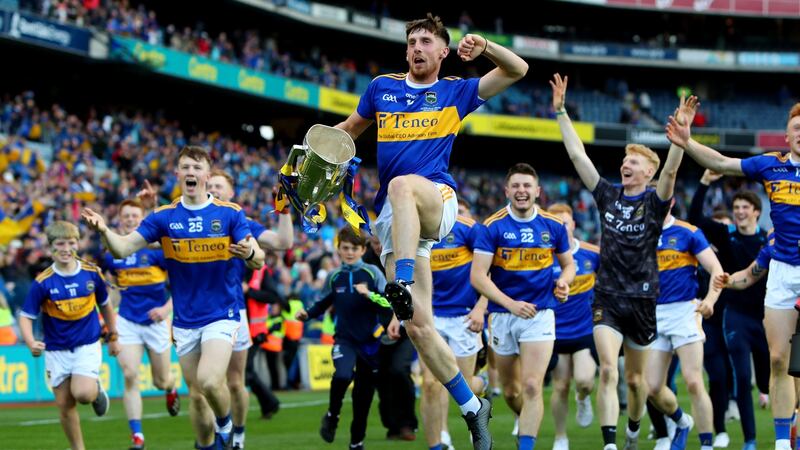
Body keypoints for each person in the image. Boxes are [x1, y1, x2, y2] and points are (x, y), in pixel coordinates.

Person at [334, 12, 527, 449]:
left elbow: (518, 70)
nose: (417, 48)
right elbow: (347, 132)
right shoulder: (381, 88)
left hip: (435, 199)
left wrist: (486, 48)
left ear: (443, 52)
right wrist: (307, 158)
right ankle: (473, 407)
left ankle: (400, 283)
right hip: (393, 220)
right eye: (411, 42)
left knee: (402, 185)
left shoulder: (455, 91)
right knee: (419, 328)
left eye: (425, 42)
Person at [81, 145, 262, 450]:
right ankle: (206, 445)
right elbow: (122, 248)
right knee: (198, 395)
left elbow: (258, 257)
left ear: (207, 174)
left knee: (209, 380)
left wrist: (249, 253)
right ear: (177, 174)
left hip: (222, 313)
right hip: (185, 321)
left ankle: (226, 425)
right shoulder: (164, 217)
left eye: (197, 167)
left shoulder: (229, 213)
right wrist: (103, 230)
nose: (191, 172)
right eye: (185, 167)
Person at [552, 73, 693, 450]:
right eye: (624, 160)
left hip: (643, 300)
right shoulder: (607, 196)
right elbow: (578, 156)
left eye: (633, 161)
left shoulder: (654, 202)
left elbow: (672, 171)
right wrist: (562, 112)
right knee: (608, 370)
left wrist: (680, 139)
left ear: (647, 172)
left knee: (636, 382)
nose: (625, 164)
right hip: (608, 298)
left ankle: (636, 429)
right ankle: (611, 443)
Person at [667, 102, 800, 450]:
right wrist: (687, 141)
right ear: (787, 137)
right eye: (797, 128)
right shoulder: (771, 165)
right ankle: (782, 443)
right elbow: (722, 163)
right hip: (782, 271)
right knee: (779, 360)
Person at [470, 163, 576, 450]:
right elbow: (478, 276)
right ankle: (524, 416)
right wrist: (511, 304)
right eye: (516, 186)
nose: (521, 191)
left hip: (540, 315)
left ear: (537, 191)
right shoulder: (492, 226)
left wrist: (564, 282)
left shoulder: (553, 225)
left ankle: (526, 444)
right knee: (511, 390)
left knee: (531, 385)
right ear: (507, 191)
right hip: (503, 315)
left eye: (527, 185)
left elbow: (569, 266)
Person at [18, 221, 121, 450]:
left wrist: (113, 337)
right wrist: (30, 341)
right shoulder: (43, 282)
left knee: (82, 394)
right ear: (51, 247)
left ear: (78, 244)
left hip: (87, 344)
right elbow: (26, 316)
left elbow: (105, 305)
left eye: (71, 243)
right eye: (60, 244)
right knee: (64, 405)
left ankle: (95, 390)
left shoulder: (91, 273)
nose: (66, 249)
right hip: (56, 350)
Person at [207, 169, 290, 449]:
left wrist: (285, 210)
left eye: (219, 186)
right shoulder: (189, 219)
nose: (213, 189)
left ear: (231, 193)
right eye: (210, 185)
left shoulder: (239, 221)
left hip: (232, 311)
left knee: (234, 382)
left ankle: (238, 434)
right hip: (197, 314)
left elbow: (282, 243)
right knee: (206, 385)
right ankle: (215, 436)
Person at [688, 170, 770, 449]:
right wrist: (704, 183)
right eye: (736, 207)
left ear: (757, 212)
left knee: (769, 380)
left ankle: (782, 414)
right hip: (736, 316)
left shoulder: (768, 241)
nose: (740, 212)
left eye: (745, 207)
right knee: (743, 378)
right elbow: (695, 217)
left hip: (766, 318)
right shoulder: (725, 235)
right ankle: (750, 440)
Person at [295, 226, 393, 450]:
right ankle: (332, 415)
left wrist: (369, 294)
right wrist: (307, 314)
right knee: (342, 375)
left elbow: (389, 304)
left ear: (362, 250)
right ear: (338, 249)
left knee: (363, 397)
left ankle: (356, 442)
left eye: (354, 249)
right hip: (344, 340)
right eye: (345, 248)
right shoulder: (334, 276)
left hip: (370, 344)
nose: (349, 252)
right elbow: (322, 303)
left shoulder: (372, 273)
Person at [645, 201, 723, 450]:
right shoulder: (638, 232)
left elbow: (717, 270)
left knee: (693, 381)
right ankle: (681, 420)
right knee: (652, 388)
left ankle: (707, 444)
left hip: (684, 312)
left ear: (671, 202)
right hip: (652, 314)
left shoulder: (688, 232)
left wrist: (710, 300)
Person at [101, 199, 179, 450]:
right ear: (120, 219)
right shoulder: (113, 254)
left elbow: (182, 284)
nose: (130, 219)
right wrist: (108, 319)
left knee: (160, 381)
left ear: (142, 219)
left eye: (135, 215)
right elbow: (113, 291)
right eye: (126, 216)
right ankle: (137, 436)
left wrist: (166, 309)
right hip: (127, 321)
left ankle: (171, 388)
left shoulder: (158, 252)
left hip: (156, 322)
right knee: (130, 375)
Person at [423, 199, 487, 450]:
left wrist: (481, 307)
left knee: (464, 384)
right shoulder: (420, 228)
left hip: (464, 317)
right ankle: (440, 439)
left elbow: (489, 269)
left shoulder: (469, 229)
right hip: (431, 317)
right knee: (430, 384)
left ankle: (479, 407)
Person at [546, 203, 600, 450]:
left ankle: (582, 398)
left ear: (574, 225)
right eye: (555, 223)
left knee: (585, 381)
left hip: (584, 330)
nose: (561, 227)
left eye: (565, 222)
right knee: (560, 386)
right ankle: (561, 438)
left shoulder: (592, 253)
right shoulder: (542, 256)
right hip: (554, 333)